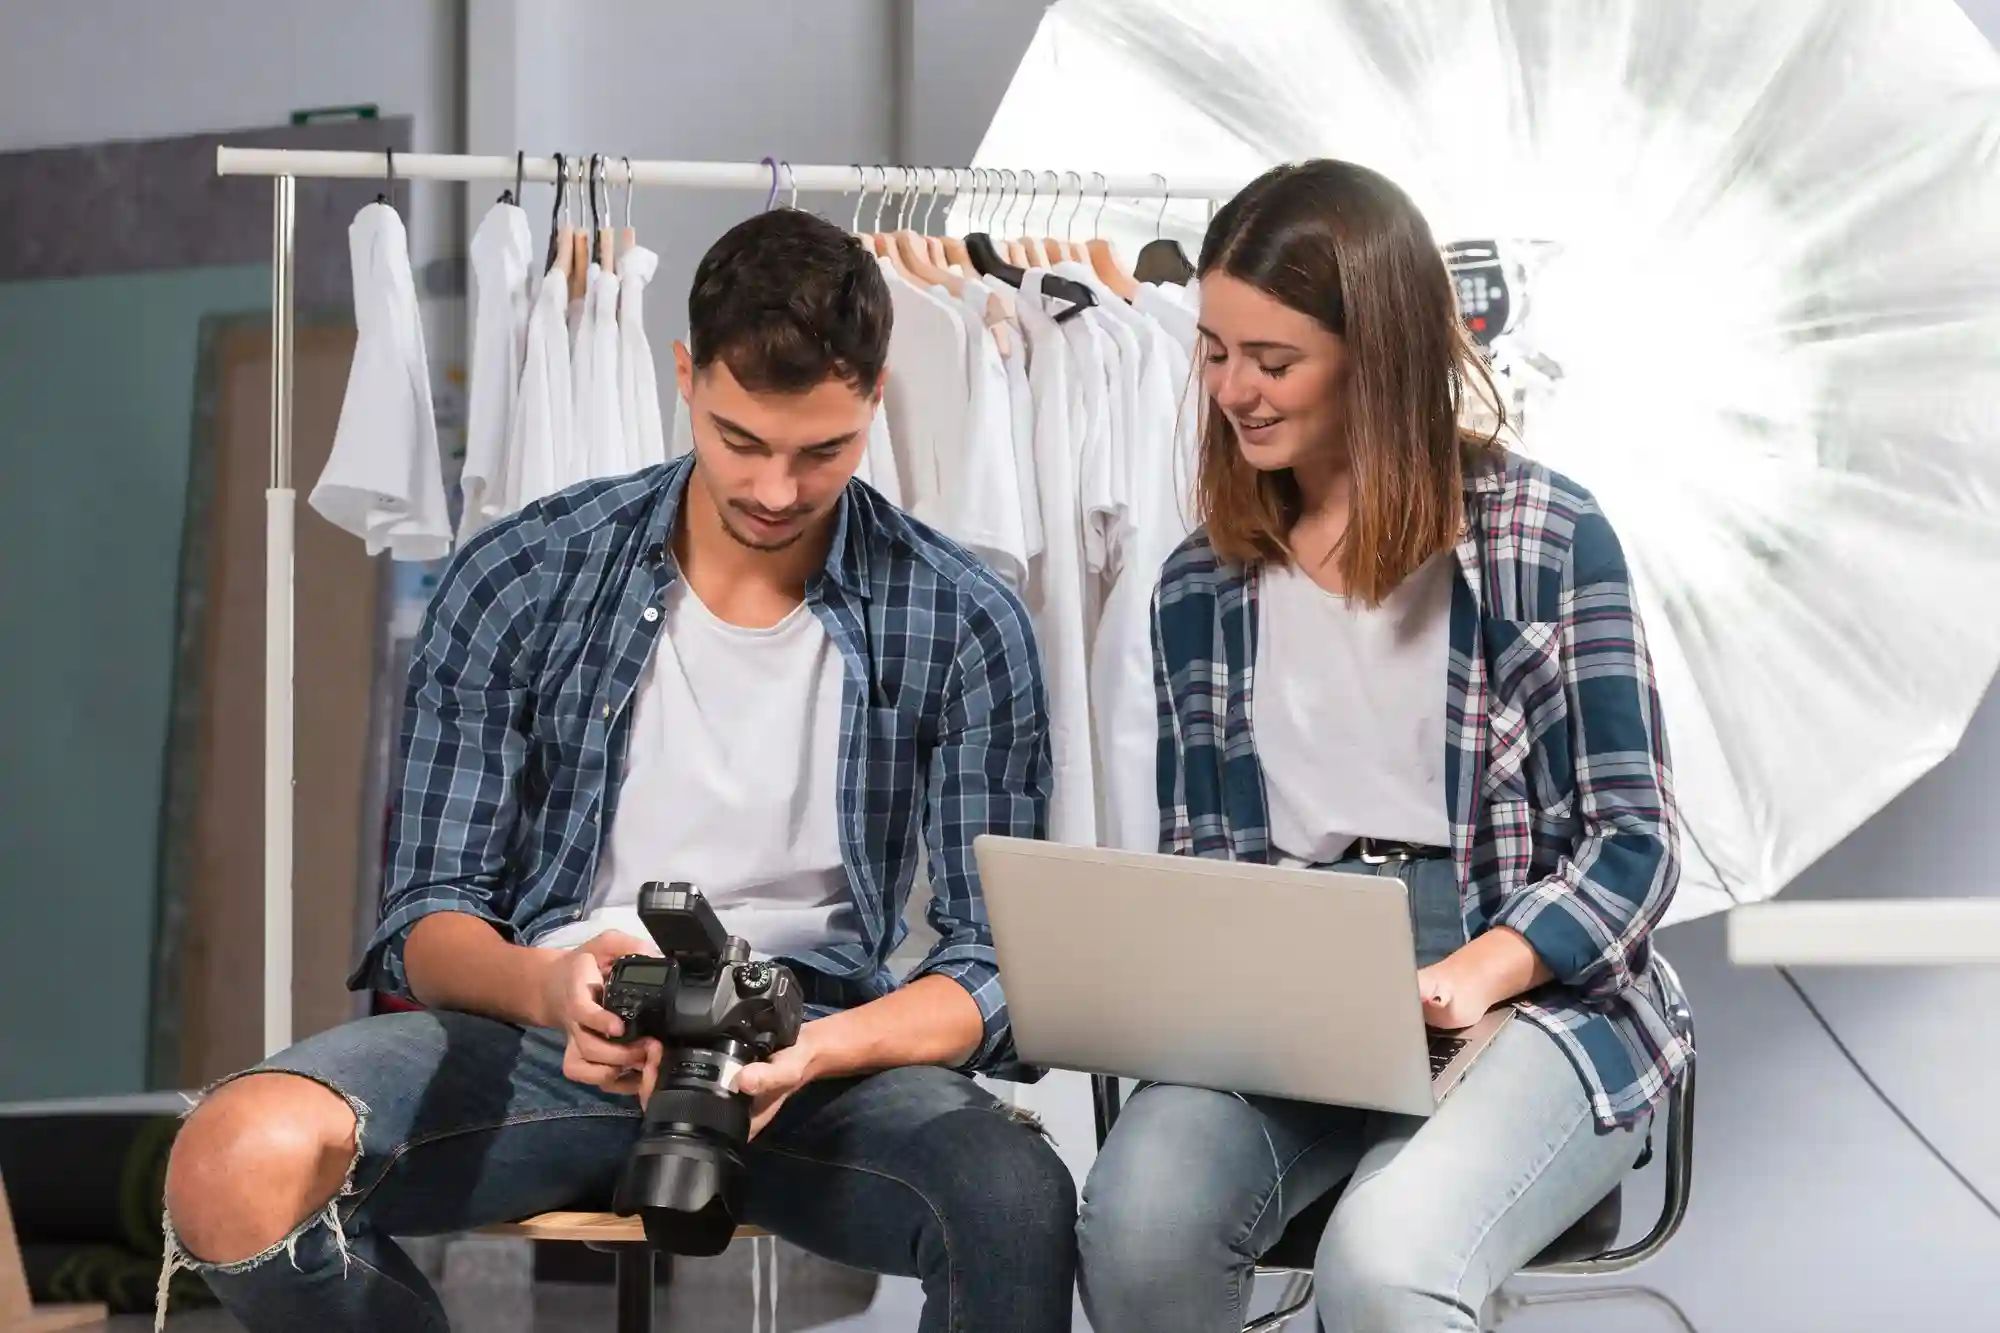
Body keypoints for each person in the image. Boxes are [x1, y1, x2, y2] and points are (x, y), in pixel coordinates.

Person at [160, 208, 1077, 1333]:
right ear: (684, 375)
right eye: (741, 439)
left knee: (1013, 1198)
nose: (778, 490)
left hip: (812, 1061)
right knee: (230, 1165)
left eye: (820, 451)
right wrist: (551, 988)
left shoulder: (960, 617)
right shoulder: (524, 572)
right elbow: (427, 918)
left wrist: (816, 1046)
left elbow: (994, 970)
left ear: (874, 400)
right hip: (545, 1041)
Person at [1076, 159, 1694, 1332]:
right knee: (1138, 1226)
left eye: (1273, 360)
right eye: (1213, 352)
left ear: (1378, 351)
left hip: (1525, 990)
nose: (1231, 391)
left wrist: (1481, 967)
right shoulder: (1197, 586)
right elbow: (1209, 861)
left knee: (1381, 1262)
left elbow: (1633, 840)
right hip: (1292, 985)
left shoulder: (1545, 537)